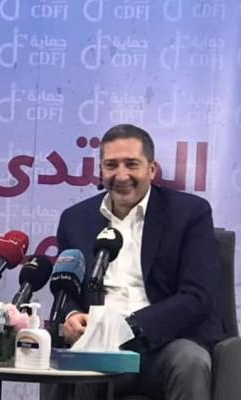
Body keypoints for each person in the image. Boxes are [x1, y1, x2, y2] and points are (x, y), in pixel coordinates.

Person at [53, 124, 225, 400]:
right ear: (100, 170)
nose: (121, 175)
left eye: (132, 164)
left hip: (166, 343)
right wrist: (72, 316)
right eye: (111, 165)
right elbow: (66, 289)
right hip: (100, 349)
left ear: (152, 169)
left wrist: (130, 326)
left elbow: (198, 296)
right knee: (74, 367)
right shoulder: (75, 219)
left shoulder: (189, 213)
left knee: (190, 360)